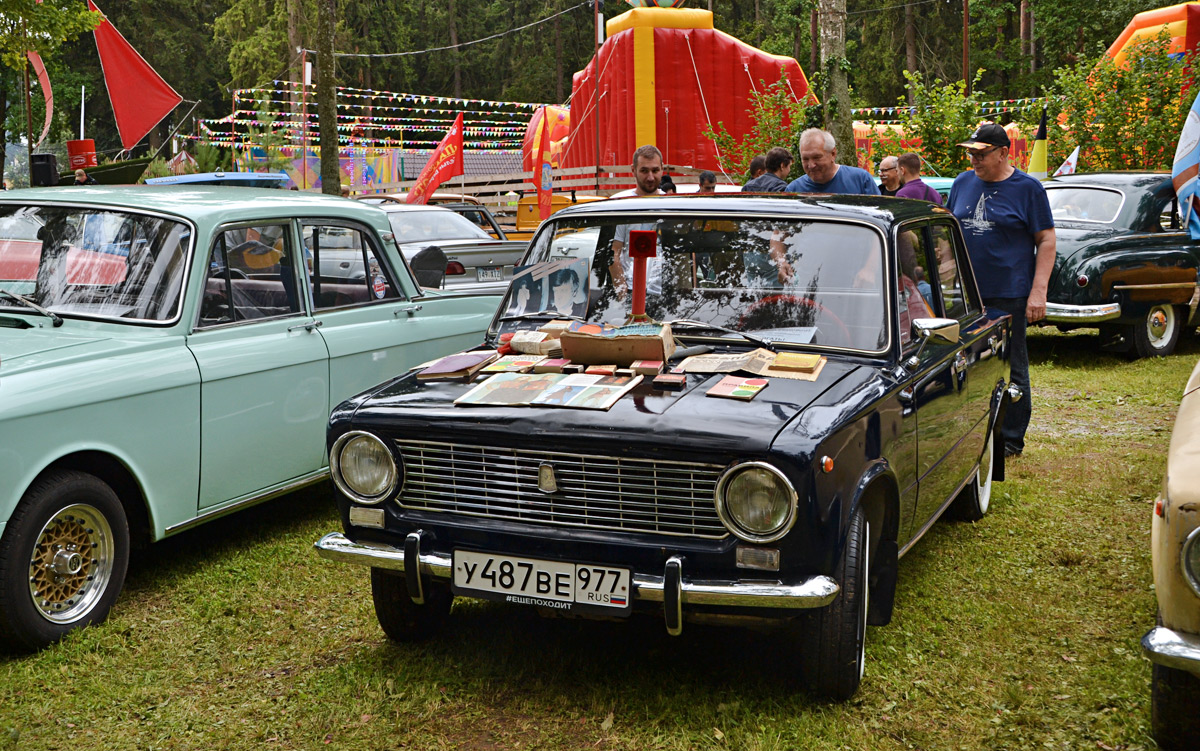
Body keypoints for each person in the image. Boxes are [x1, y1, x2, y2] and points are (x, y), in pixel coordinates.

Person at [947, 122, 1056, 458]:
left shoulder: (1028, 188)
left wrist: (1038, 292)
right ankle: (970, 429)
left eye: (981, 153)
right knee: (965, 363)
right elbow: (949, 234)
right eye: (970, 153)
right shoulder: (963, 183)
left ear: (1003, 153)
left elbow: (1047, 240)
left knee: (1011, 364)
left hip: (1010, 294)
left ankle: (1010, 440)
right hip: (967, 296)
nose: (974, 159)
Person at [609, 145, 664, 295]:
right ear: (633, 170)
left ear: (662, 168)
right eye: (644, 171)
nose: (651, 177)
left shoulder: (671, 205)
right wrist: (622, 293)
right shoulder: (621, 205)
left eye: (655, 170)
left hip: (663, 291)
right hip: (631, 289)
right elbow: (614, 252)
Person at [786, 128, 880, 195]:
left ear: (833, 154)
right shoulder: (793, 191)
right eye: (805, 159)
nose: (811, 165)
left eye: (817, 157)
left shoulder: (860, 180)